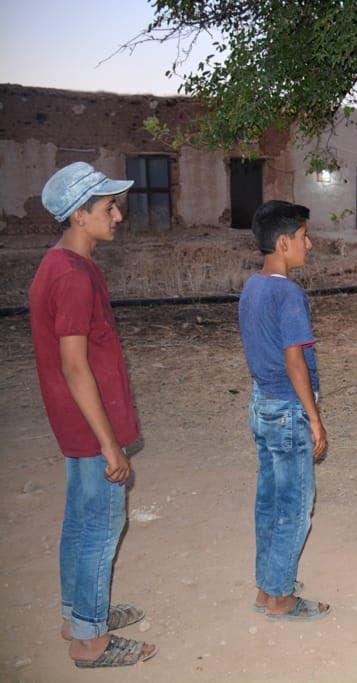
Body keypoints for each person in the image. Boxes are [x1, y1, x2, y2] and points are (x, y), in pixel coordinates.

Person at [28, 161, 157, 667]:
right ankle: (91, 642)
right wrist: (109, 444)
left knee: (81, 523)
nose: (118, 215)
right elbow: (75, 365)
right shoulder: (72, 275)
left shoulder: (63, 264)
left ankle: (79, 616)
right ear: (79, 216)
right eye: (108, 207)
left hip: (78, 422)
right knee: (102, 526)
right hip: (89, 425)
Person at [239, 200, 331, 621]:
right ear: (282, 242)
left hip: (261, 404)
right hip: (288, 410)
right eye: (303, 236)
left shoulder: (253, 287)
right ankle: (280, 598)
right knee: (295, 506)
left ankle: (267, 586)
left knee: (270, 500)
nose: (308, 244)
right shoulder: (289, 293)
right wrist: (314, 419)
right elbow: (295, 361)